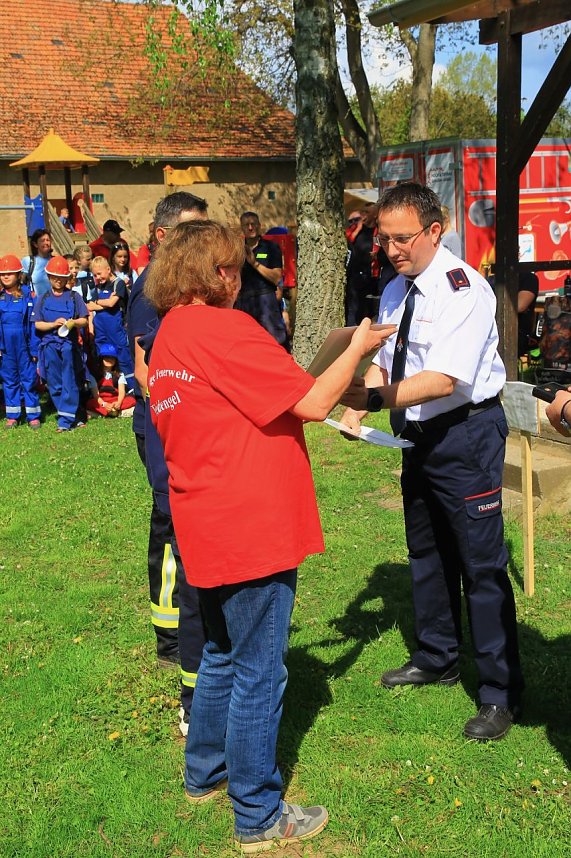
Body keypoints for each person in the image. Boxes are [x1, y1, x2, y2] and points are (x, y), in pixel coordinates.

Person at [145, 218, 393, 853]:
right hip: (250, 522)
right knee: (260, 670)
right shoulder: (225, 328)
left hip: (204, 518)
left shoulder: (172, 331)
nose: (242, 277)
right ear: (220, 273)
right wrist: (357, 348)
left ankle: (204, 772)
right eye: (235, 266)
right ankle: (257, 812)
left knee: (223, 652)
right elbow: (312, 403)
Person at [340, 182, 524, 742]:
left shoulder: (462, 290)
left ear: (434, 231)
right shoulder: (398, 289)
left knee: (481, 563)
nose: (391, 248)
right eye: (383, 237)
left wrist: (373, 399)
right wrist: (358, 409)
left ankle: (499, 692)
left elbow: (444, 378)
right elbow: (390, 359)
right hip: (417, 437)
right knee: (427, 549)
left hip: (465, 436)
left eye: (402, 238)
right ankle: (437, 656)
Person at [126, 192, 209, 727]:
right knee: (173, 519)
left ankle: (174, 625)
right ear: (160, 236)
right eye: (189, 231)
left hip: (180, 415)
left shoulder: (183, 282)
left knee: (177, 520)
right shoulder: (150, 290)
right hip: (163, 420)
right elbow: (145, 371)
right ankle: (172, 632)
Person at [32, 255, 88, 432]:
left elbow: (84, 320)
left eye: (61, 277)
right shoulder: (42, 299)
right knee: (54, 382)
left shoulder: (74, 297)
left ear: (67, 278)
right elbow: (37, 324)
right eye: (54, 277)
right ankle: (70, 415)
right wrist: (52, 324)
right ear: (48, 278)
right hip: (49, 346)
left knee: (69, 380)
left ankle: (65, 421)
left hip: (68, 346)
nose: (58, 281)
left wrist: (72, 323)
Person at [235, 211, 289, 350]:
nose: (251, 228)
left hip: (266, 301)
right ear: (242, 228)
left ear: (260, 226)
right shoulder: (237, 250)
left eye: (253, 224)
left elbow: (277, 277)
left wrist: (254, 264)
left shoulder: (271, 248)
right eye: (247, 225)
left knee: (277, 342)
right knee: (247, 344)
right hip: (244, 302)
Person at [0, 255, 41, 428]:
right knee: (9, 380)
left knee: (29, 378)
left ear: (18, 274)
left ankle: (33, 415)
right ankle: (13, 415)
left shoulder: (28, 295)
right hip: (6, 347)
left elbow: (33, 324)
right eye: (3, 274)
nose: (6, 277)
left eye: (10, 273)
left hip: (24, 345)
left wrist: (33, 349)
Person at [90, 256, 134, 393]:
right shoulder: (98, 287)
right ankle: (108, 384)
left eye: (99, 273)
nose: (98, 277)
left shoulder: (118, 283)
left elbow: (111, 303)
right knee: (104, 354)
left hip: (116, 328)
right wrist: (102, 303)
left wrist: (99, 303)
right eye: (95, 275)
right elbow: (90, 306)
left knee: (123, 355)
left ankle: (132, 387)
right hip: (101, 329)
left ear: (108, 269)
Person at [345, 202, 380, 325]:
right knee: (355, 308)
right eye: (363, 213)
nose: (364, 216)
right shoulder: (357, 229)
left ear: (375, 215)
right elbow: (347, 242)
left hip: (373, 275)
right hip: (356, 275)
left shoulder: (377, 231)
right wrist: (357, 229)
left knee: (371, 308)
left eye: (367, 213)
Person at [85, 343, 136, 417]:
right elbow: (96, 395)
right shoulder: (95, 375)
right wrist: (104, 404)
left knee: (131, 400)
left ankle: (104, 413)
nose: (109, 360)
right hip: (102, 401)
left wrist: (118, 402)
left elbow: (122, 392)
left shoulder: (119, 375)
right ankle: (116, 413)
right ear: (101, 359)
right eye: (106, 357)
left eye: (112, 358)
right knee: (90, 403)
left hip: (115, 400)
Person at [21, 229, 54, 298]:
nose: (46, 243)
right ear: (35, 244)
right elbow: (20, 283)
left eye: (48, 240)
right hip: (36, 305)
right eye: (42, 241)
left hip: (54, 304)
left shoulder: (55, 261)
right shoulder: (28, 261)